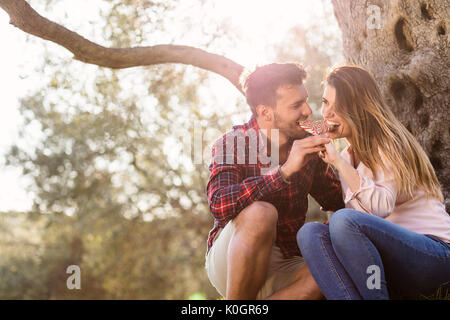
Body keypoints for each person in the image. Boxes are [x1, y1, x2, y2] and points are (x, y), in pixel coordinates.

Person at [297, 65, 450, 300]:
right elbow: (354, 225)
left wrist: (337, 162)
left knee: (344, 220)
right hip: (392, 264)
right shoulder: (348, 156)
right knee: (310, 233)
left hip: (435, 257)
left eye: (336, 107)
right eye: (326, 103)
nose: (326, 114)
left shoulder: (387, 142)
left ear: (357, 109)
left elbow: (380, 208)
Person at [205, 63, 345, 299]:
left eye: (306, 100)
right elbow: (220, 204)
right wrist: (284, 172)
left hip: (285, 261)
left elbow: (338, 200)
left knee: (328, 273)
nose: (308, 111)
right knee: (261, 213)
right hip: (231, 258)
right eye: (296, 105)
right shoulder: (232, 143)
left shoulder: (307, 141)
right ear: (265, 112)